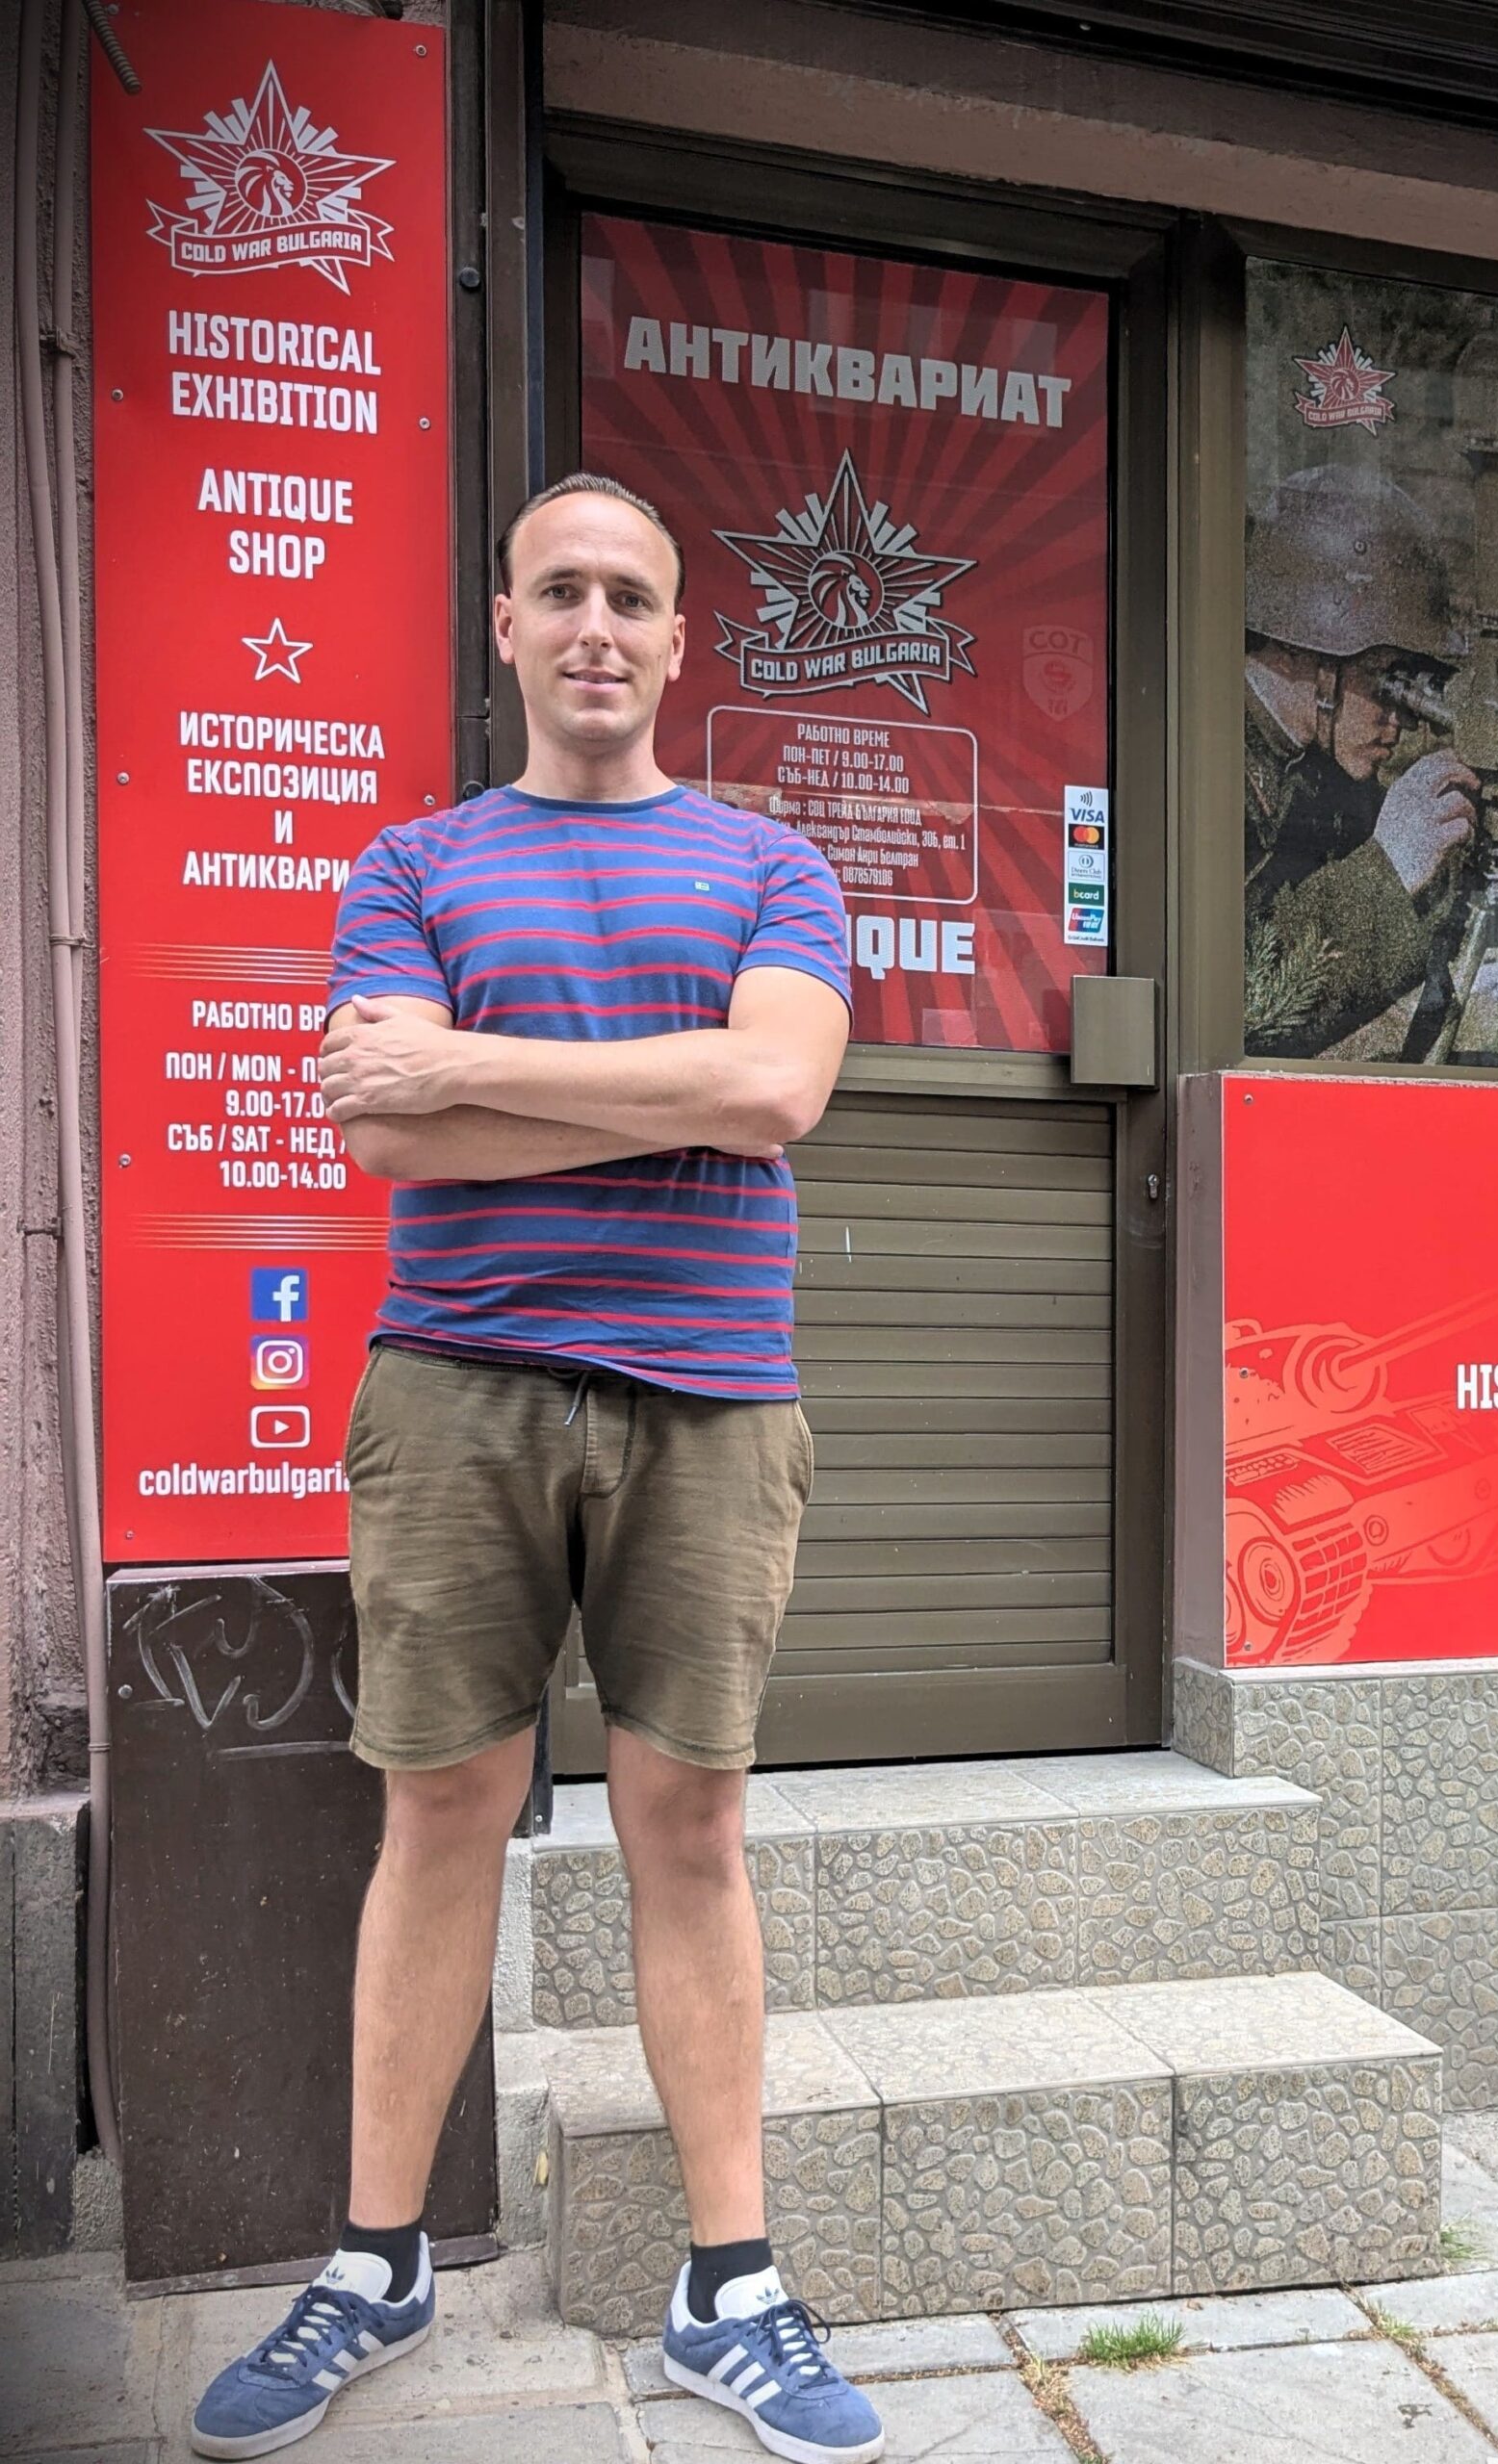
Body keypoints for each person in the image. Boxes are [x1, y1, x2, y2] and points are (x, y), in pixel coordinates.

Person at [189, 475, 884, 2464]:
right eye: (560, 589)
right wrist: (663, 1097)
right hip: (455, 1391)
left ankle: (728, 2286)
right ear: (504, 624)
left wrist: (474, 1067)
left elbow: (777, 1085)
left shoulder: (772, 864)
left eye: (631, 596)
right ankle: (374, 2260)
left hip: (712, 1398)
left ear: (677, 639)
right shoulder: (411, 863)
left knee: (692, 1825)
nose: (596, 624)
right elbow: (385, 1135)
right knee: (438, 1814)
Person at [1242, 464, 1478, 1055]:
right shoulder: (1204, 766)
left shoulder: (1315, 767)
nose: (1401, 719)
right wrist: (1388, 867)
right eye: (1386, 680)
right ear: (1308, 654)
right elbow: (1243, 1003)